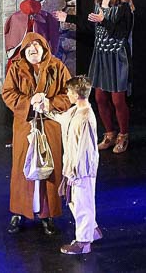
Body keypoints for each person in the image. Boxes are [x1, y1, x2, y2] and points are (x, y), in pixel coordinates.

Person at [54, 0, 134, 153]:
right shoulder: (98, 4)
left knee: (118, 100)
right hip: (100, 55)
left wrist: (103, 21)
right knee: (99, 97)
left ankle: (123, 135)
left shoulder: (123, 6)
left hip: (117, 56)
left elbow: (122, 33)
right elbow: (91, 26)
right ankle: (110, 134)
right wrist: (68, 18)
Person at [1, 33, 71, 236]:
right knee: (22, 167)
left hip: (50, 124)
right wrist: (29, 102)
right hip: (26, 125)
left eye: (37, 45)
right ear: (24, 50)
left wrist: (50, 103)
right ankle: (19, 212)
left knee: (50, 168)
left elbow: (69, 94)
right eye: (29, 46)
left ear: (44, 48)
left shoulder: (57, 67)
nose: (33, 49)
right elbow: (8, 93)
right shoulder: (16, 68)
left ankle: (47, 214)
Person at [40, 75, 103, 254]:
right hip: (72, 167)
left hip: (81, 170)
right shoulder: (75, 111)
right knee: (74, 200)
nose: (67, 94)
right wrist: (45, 110)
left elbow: (85, 149)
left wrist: (76, 172)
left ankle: (83, 242)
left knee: (82, 203)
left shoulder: (86, 117)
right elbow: (62, 119)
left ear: (76, 94)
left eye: (69, 91)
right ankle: (92, 229)